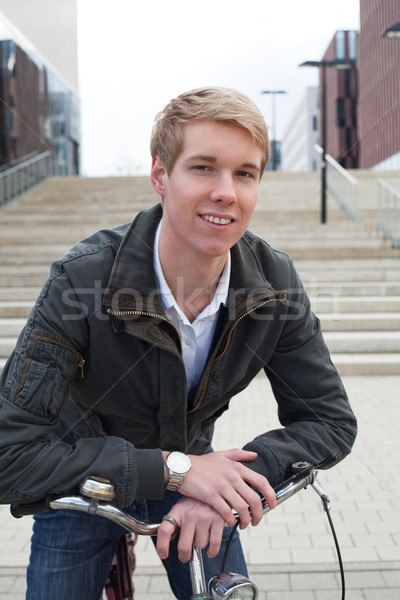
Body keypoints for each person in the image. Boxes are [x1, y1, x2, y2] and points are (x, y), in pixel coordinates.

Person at [0, 86, 357, 599]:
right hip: (84, 474)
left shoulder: (273, 281)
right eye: (203, 167)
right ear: (160, 176)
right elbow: (9, 451)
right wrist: (171, 470)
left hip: (202, 479)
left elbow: (330, 420)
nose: (226, 192)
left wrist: (233, 484)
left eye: (245, 173)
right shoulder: (81, 279)